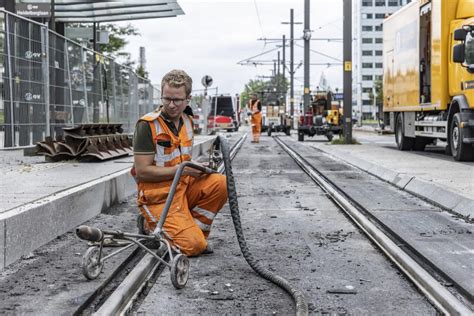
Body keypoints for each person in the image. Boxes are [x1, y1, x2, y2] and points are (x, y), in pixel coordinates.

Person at [132, 69, 228, 256]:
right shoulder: (147, 126)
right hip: (158, 198)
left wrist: (197, 169)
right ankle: (148, 224)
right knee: (194, 246)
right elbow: (142, 171)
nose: (171, 105)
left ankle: (193, 230)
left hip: (182, 190)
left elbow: (182, 158)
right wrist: (183, 171)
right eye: (166, 99)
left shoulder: (187, 120)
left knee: (220, 183)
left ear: (188, 99)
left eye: (177, 100)